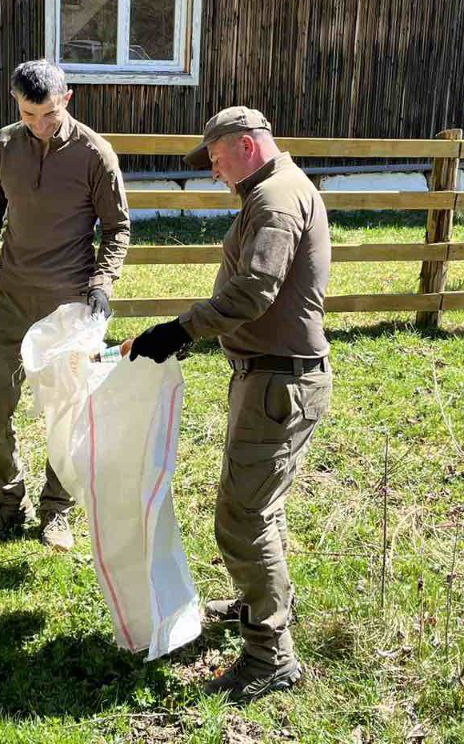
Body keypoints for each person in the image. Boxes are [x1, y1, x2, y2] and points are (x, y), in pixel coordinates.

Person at [130, 106, 331, 704]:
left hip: (278, 382)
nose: (213, 171)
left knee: (243, 518)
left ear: (246, 145)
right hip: (271, 378)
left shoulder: (275, 200)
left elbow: (255, 291)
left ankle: (271, 656)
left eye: (216, 159)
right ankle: (259, 604)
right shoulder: (273, 190)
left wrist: (180, 329)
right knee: (257, 505)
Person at [0, 59, 130, 551]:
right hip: (12, 300)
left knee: (68, 413)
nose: (40, 125)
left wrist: (102, 282)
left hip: (69, 307)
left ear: (66, 99)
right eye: (28, 115)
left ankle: (56, 509)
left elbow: (117, 228)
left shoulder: (94, 154)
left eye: (49, 114)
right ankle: (8, 502)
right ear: (15, 103)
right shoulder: (3, 148)